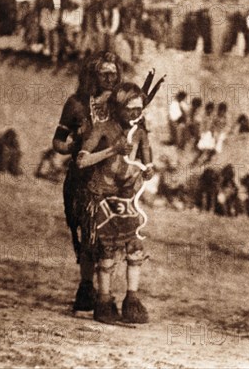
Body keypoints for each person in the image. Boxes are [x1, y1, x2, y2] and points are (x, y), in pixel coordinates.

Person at [77, 82, 154, 324]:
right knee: (106, 251)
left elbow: (146, 161)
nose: (135, 113)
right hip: (100, 197)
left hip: (125, 198)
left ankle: (131, 300)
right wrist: (113, 150)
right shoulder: (101, 129)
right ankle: (103, 301)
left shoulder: (140, 133)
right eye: (130, 109)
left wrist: (148, 171)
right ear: (116, 108)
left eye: (139, 109)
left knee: (135, 247)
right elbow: (81, 161)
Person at [52, 52, 123, 312]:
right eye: (104, 72)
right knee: (89, 234)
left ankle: (108, 293)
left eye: (113, 72)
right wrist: (71, 146)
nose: (109, 77)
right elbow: (58, 140)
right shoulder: (76, 104)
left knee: (112, 237)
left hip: (115, 179)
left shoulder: (121, 104)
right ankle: (86, 286)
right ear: (93, 74)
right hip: (83, 180)